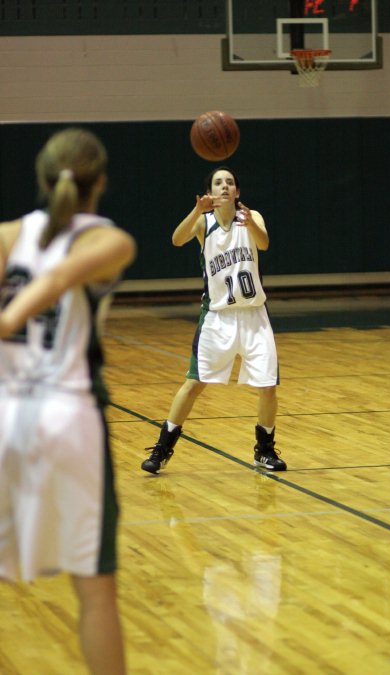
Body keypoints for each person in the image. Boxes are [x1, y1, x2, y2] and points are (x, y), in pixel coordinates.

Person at [0, 128, 136, 675]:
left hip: (4, 413)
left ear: (41, 176)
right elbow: (59, 275)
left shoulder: (8, 235)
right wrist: (12, 317)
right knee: (96, 593)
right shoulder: (111, 241)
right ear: (99, 182)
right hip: (69, 416)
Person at [141, 166, 286, 475]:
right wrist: (196, 209)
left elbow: (264, 244)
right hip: (217, 318)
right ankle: (163, 448)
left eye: (230, 182)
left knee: (267, 387)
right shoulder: (203, 223)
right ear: (210, 192)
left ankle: (264, 450)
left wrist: (251, 225)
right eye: (218, 182)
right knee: (194, 383)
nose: (224, 186)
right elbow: (176, 239)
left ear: (237, 192)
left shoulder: (252, 218)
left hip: (254, 316)